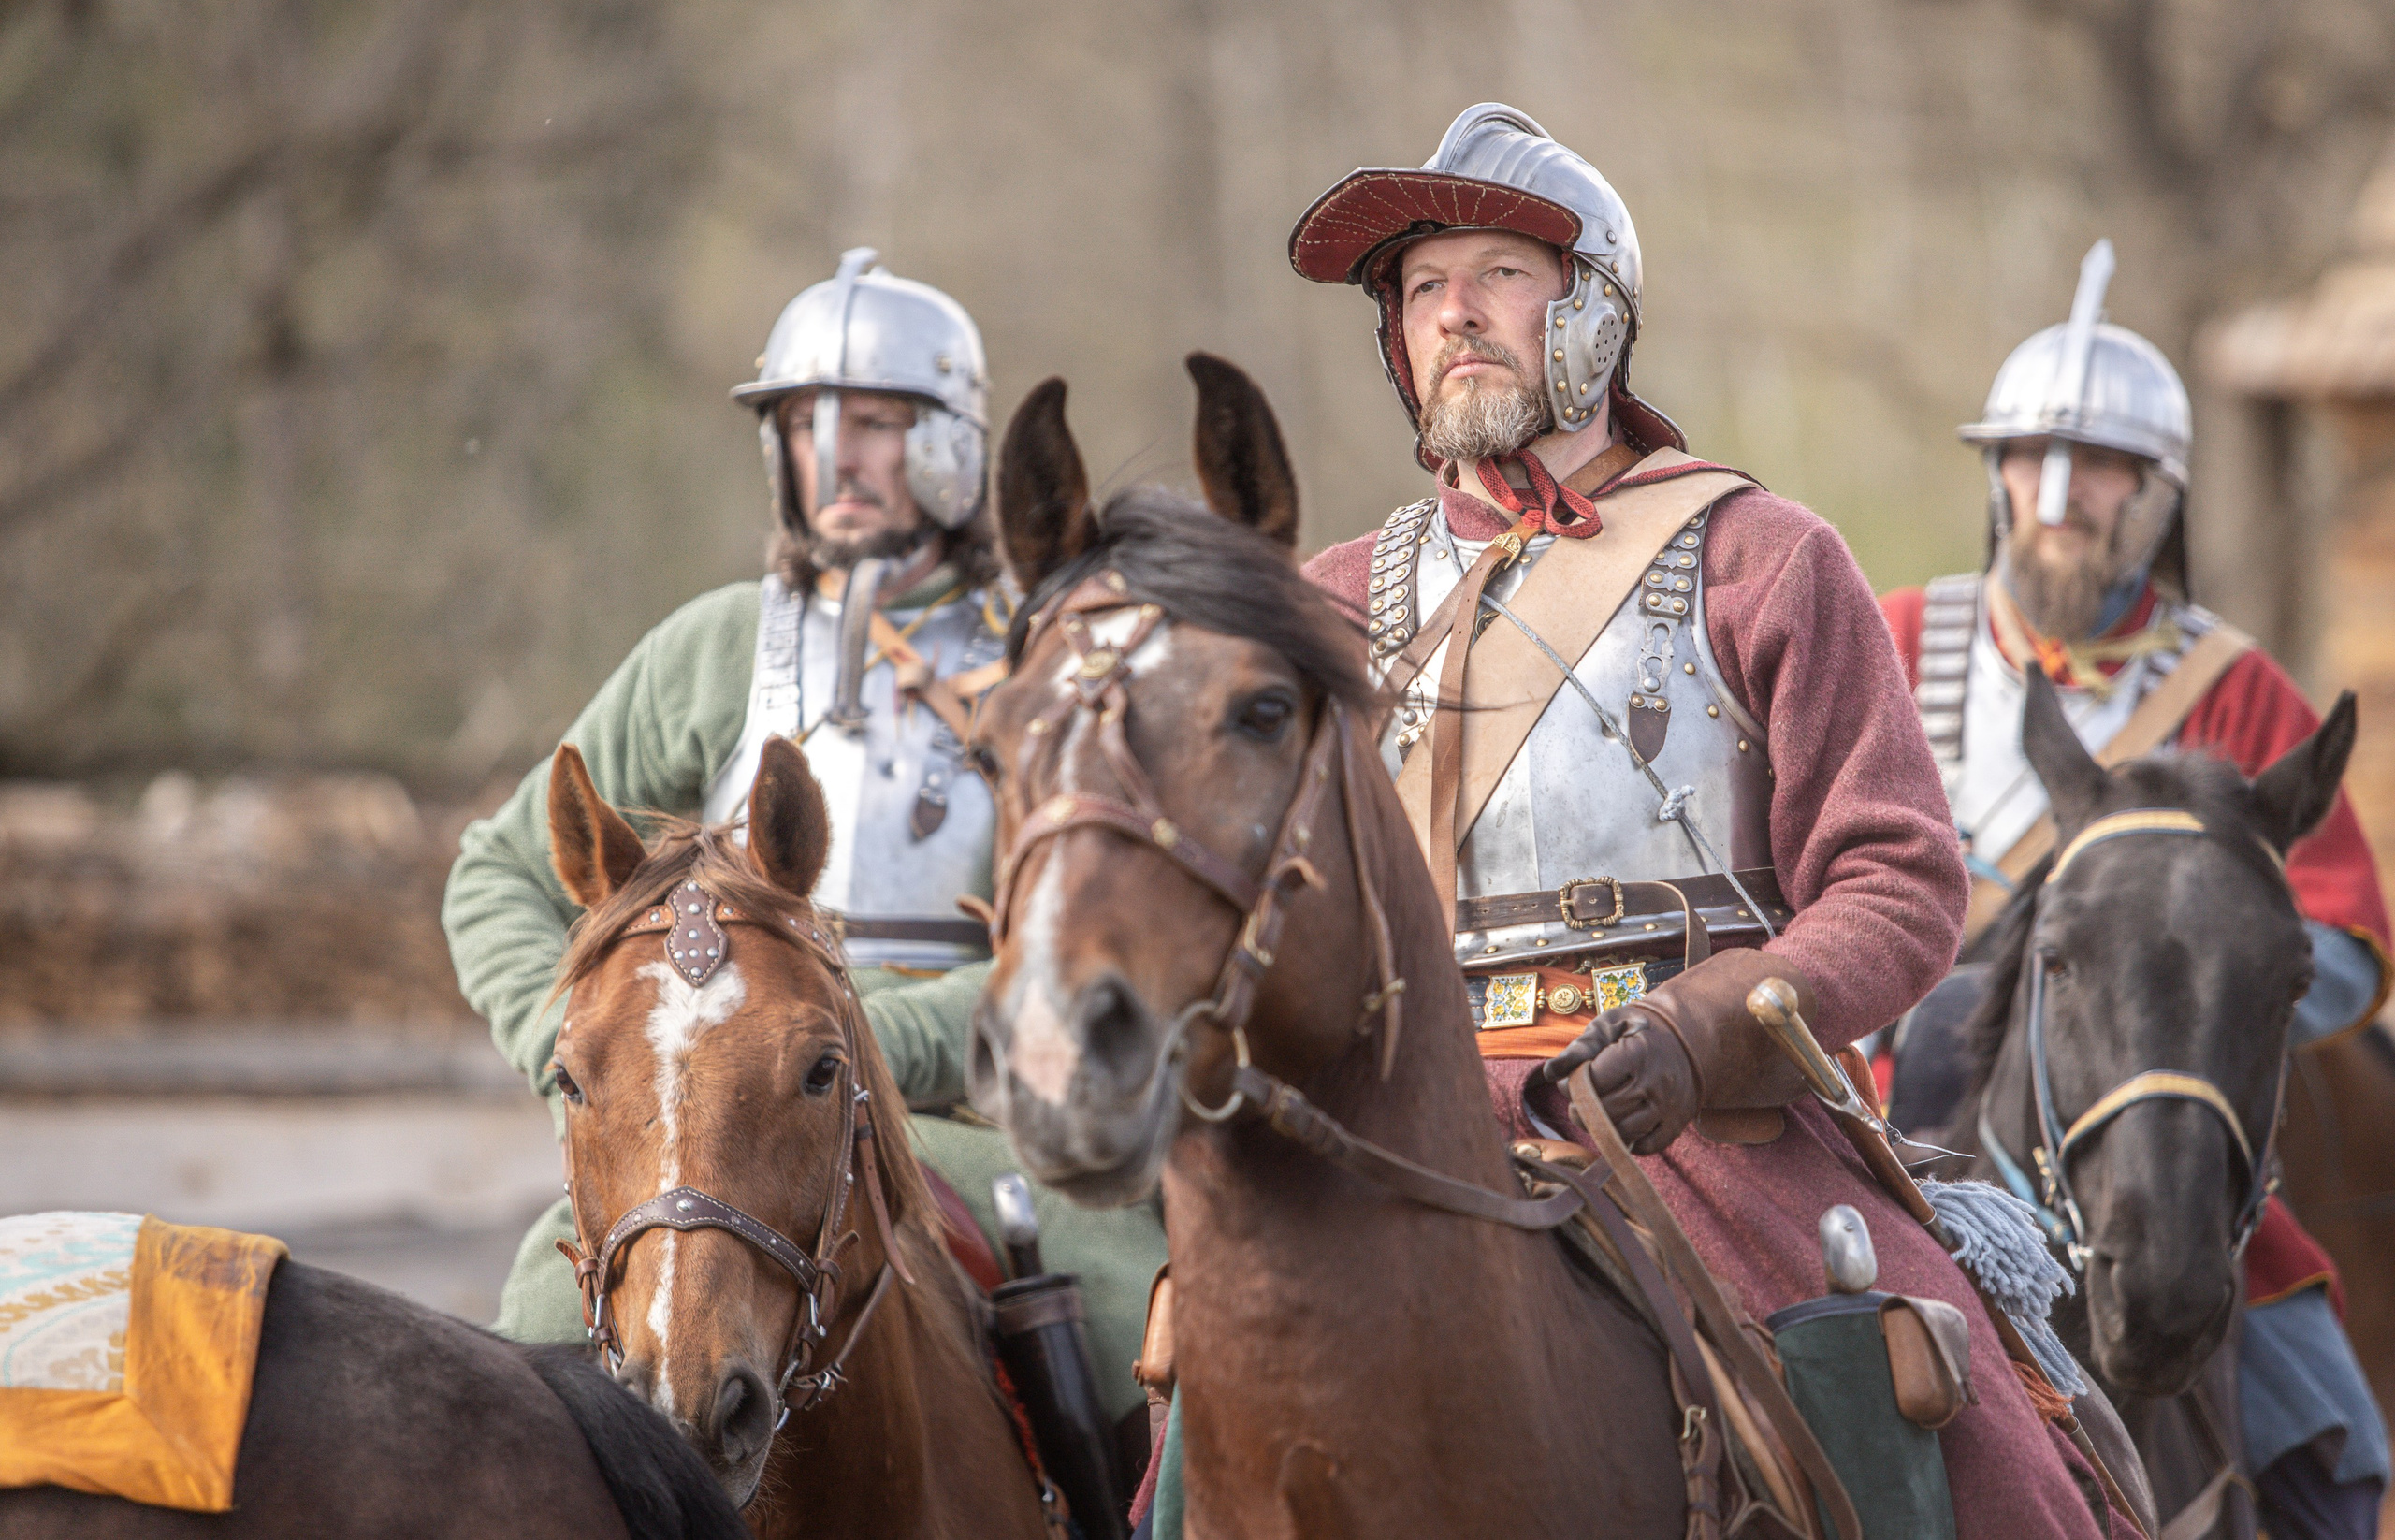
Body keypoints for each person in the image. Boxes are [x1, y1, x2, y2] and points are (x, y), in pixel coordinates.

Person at [1290, 102, 2125, 1537]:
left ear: (1591, 312)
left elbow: (1898, 875)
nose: (1452, 315)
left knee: (1955, 1428)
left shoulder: (1760, 553)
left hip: (1704, 1126)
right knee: (1192, 1398)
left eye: (1496, 273)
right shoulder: (1325, 597)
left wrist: (1709, 1025)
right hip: (1408, 1124)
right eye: (1420, 287)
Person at [441, 249, 1162, 1425]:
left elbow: (1104, 946)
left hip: (985, 1129)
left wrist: (865, 1043)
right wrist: (597, 1052)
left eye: (876, 424)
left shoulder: (1049, 656)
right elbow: (503, 874)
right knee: (529, 1346)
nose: (836, 457)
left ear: (951, 443)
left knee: (1135, 1344)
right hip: (726, 1125)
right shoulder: (720, 646)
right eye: (804, 425)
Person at [1880, 279, 2391, 1539]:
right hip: (1877, 1128)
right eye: (2031, 459)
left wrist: (2207, 999)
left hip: (2152, 1156)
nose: (2060, 496)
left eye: (2101, 465)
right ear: (1993, 476)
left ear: (2159, 492)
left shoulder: (2236, 689)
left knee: (2333, 1456)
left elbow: (2344, 946)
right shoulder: (1887, 641)